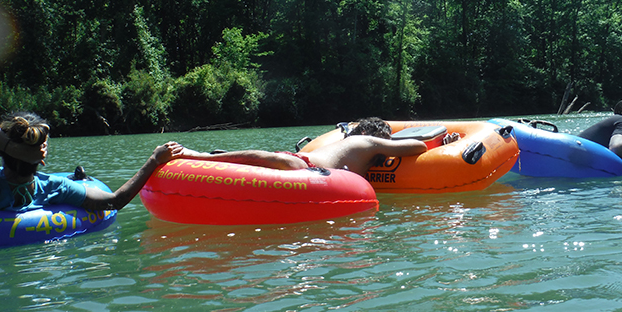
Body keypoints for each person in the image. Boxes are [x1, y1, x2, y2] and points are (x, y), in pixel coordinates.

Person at [0, 112, 185, 211]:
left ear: (3, 150)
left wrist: (10, 147)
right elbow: (114, 201)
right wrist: (153, 160)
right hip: (13, 178)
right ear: (41, 156)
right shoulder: (54, 188)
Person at [176, 117, 459, 178]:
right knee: (275, 161)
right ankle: (203, 157)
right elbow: (416, 147)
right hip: (307, 167)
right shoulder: (363, 144)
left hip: (304, 164)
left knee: (270, 159)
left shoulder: (364, 140)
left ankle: (206, 156)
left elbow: (415, 145)